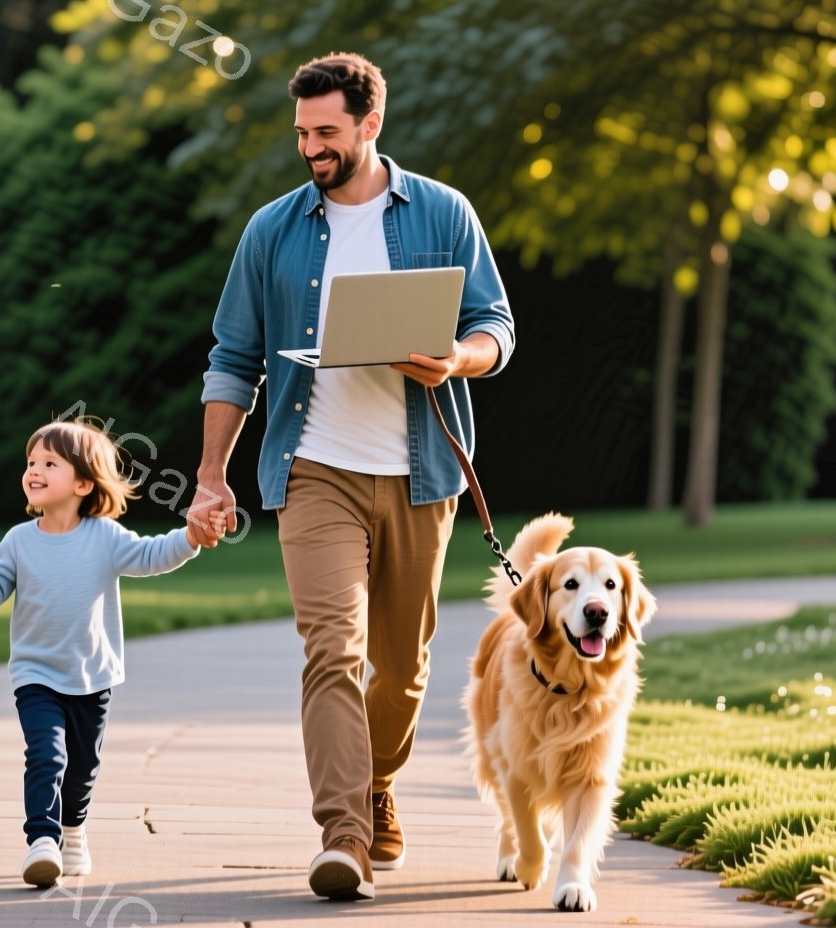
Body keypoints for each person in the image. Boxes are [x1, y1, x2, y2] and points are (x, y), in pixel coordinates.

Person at [187, 53, 516, 900]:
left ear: (371, 125)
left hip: (420, 470)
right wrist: (211, 475)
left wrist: (457, 360)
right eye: (302, 134)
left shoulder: (443, 212)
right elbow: (233, 357)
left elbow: (495, 324)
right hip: (314, 469)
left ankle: (375, 785)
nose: (311, 149)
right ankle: (343, 839)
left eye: (326, 132)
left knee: (402, 669)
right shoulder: (273, 229)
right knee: (333, 651)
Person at [0, 420, 219, 887]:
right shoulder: (18, 540)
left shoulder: (106, 537)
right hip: (35, 675)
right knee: (46, 755)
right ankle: (42, 842)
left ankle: (73, 830)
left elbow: (153, 555)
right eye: (31, 462)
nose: (34, 470)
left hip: (92, 676)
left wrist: (191, 538)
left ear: (82, 483)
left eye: (49, 463)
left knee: (83, 766)